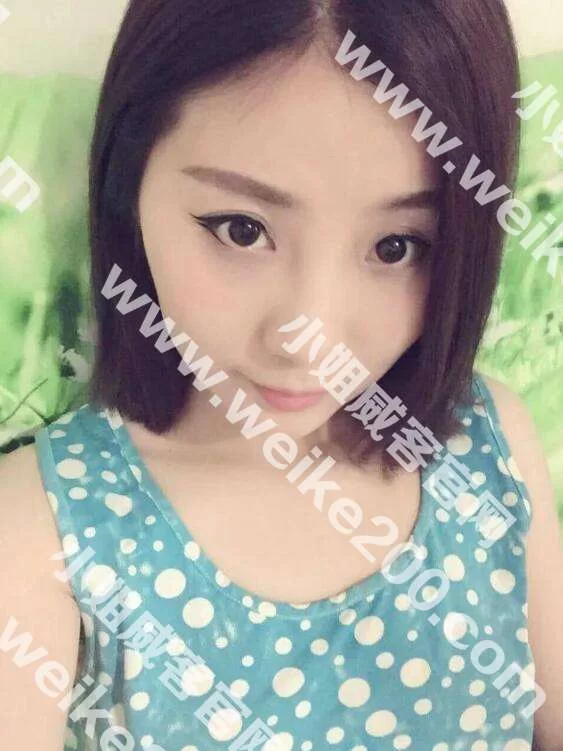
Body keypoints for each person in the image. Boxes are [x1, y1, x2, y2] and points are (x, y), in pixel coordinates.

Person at [1, 0, 562, 749]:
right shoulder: (45, 522)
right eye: (242, 229)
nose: (309, 338)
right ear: (127, 186)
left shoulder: (487, 443)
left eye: (396, 246)